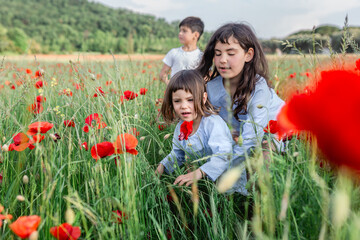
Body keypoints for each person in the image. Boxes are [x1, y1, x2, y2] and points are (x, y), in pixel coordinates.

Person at [196, 22, 285, 166]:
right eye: (218, 54)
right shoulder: (211, 88)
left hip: (275, 133)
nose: (222, 60)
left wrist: (220, 168)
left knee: (262, 154)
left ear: (248, 55)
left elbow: (252, 138)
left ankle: (255, 188)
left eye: (231, 53)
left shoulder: (259, 88)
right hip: (240, 137)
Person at [155, 70, 247, 195]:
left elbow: (224, 155)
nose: (183, 106)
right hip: (204, 183)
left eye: (190, 100)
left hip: (228, 182)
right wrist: (163, 166)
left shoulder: (212, 124)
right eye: (177, 101)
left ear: (203, 98)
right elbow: (178, 154)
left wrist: (199, 172)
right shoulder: (180, 127)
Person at [159, 17, 204, 85]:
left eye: (184, 31)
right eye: (180, 30)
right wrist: (171, 85)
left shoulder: (201, 56)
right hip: (175, 92)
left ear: (196, 35)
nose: (180, 33)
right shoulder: (173, 53)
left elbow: (206, 77)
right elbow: (162, 74)